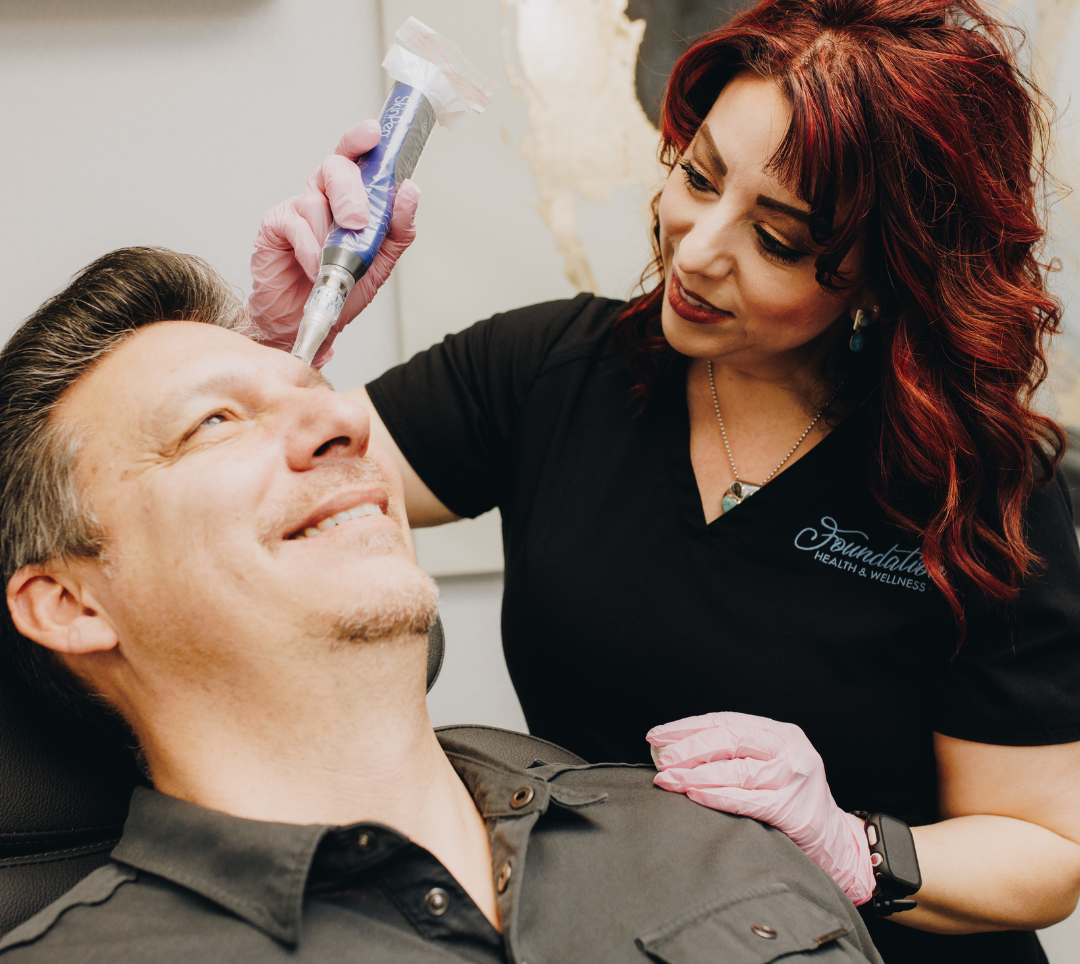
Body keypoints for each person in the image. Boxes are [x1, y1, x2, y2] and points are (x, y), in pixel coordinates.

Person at [246, 0, 1080, 963]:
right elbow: (263, 498)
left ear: (886, 275)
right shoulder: (548, 372)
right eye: (697, 175)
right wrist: (280, 346)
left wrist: (853, 847)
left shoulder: (974, 483)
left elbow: (1044, 848)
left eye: (777, 238)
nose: (695, 250)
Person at [0, 248, 882, 963]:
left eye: (317, 398)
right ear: (70, 603)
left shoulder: (720, 846)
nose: (345, 426)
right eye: (215, 424)